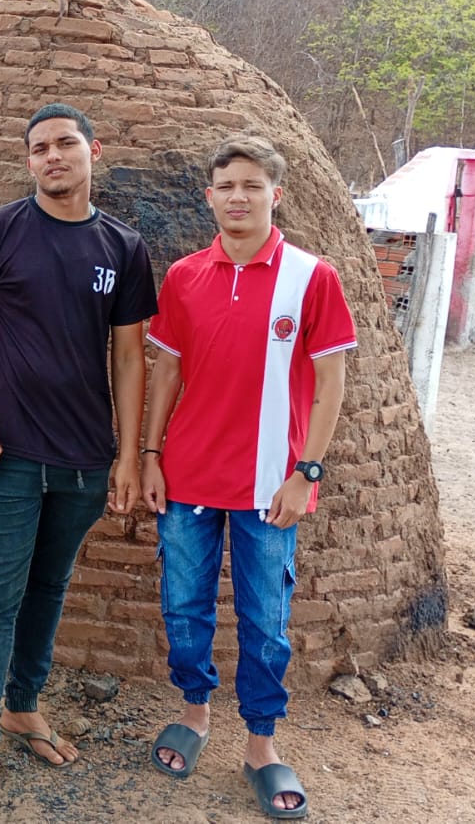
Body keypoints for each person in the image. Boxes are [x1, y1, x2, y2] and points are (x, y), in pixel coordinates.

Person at [0, 103, 157, 822]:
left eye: (64, 143)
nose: (52, 156)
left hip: (85, 460)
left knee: (49, 587)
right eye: (38, 148)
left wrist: (126, 455)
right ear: (27, 160)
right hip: (8, 456)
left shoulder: (123, 247)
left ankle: (22, 705)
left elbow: (129, 355)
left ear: (93, 150)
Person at [142, 135, 356, 820]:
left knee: (265, 619)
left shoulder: (310, 277)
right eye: (226, 185)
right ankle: (194, 710)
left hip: (270, 485)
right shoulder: (184, 277)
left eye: (252, 185)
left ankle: (261, 744)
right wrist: (150, 454)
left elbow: (330, 383)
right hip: (187, 479)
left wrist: (305, 472)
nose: (238, 196)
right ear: (209, 196)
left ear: (275, 194)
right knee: (184, 607)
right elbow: (167, 370)